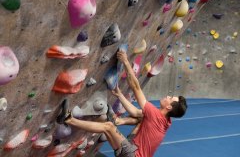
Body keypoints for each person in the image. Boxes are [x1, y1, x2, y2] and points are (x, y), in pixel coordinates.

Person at [58, 51, 188, 157]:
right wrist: (120, 95)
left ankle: (69, 120)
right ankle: (115, 120)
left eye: (170, 98)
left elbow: (136, 87)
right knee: (133, 118)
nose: (167, 96)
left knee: (108, 127)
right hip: (133, 146)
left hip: (133, 154)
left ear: (169, 107)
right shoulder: (166, 121)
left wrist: (125, 61)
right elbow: (136, 113)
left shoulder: (155, 115)